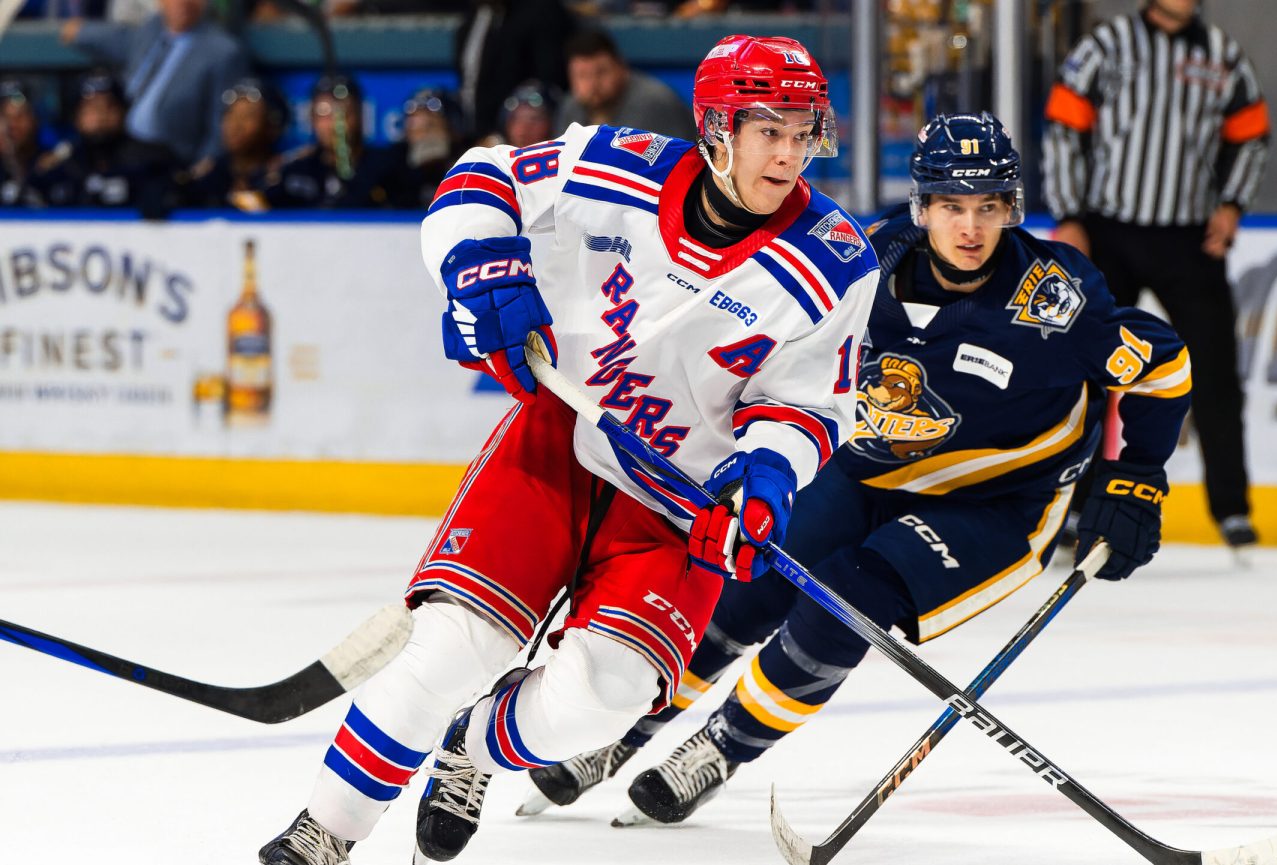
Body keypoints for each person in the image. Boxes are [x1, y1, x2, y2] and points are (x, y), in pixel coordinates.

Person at [256, 34, 879, 865]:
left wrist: (765, 476)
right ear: (716, 128)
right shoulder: (616, 164)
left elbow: (805, 404)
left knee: (604, 700)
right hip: (559, 437)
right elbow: (480, 178)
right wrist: (481, 267)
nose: (791, 152)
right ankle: (323, 832)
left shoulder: (835, 262)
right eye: (770, 129)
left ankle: (470, 750)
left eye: (804, 131)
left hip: (676, 501)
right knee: (450, 647)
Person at [514, 112, 1192, 826]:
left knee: (848, 594)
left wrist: (1137, 475)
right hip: (863, 468)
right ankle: (623, 732)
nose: (970, 227)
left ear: (1010, 209)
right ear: (922, 206)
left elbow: (1165, 365)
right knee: (744, 586)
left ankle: (722, 745)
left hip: (993, 503)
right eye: (953, 207)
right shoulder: (861, 263)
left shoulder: (1055, 301)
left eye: (988, 207)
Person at [1042, 0, 1269, 551]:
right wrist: (1069, 214)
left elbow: (1252, 135)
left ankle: (1231, 508)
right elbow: (1062, 130)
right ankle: (1074, 504)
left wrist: (1233, 204)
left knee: (1214, 373)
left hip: (1189, 237)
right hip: (1107, 232)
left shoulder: (1223, 55)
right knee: (1087, 375)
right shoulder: (1105, 46)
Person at [60, 0, 249, 166]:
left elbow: (221, 125)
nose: (183, 2)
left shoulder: (222, 52)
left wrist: (204, 166)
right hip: (123, 148)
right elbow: (119, 39)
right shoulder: (152, 30)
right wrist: (81, 32)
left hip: (172, 158)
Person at [35, 70, 179, 216]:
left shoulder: (153, 161)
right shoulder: (62, 166)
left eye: (109, 106)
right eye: (91, 108)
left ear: (123, 112)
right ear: (76, 116)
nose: (101, 115)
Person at [267, 75, 401, 209]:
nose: (334, 125)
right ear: (312, 119)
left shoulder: (386, 169)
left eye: (343, 114)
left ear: (360, 116)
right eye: (323, 115)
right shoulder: (297, 171)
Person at [456, 0, 574, 139]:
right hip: (475, 133)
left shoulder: (541, 13)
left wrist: (499, 135)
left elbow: (550, 84)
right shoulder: (475, 18)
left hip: (518, 138)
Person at [554, 28, 696, 141]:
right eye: (582, 75)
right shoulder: (570, 107)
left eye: (601, 72)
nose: (593, 83)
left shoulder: (654, 103)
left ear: (621, 68)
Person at [180, 78, 287, 210]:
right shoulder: (207, 177)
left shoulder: (287, 180)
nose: (235, 126)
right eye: (230, 115)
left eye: (248, 116)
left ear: (272, 127)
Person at [385, 86, 468, 209]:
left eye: (431, 125)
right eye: (413, 121)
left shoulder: (470, 166)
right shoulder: (391, 170)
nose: (425, 137)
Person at [0, 79, 51, 208]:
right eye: (5, 117)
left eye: (19, 117)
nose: (12, 125)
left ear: (35, 120)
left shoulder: (53, 167)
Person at [498, 81, 558, 149]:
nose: (523, 128)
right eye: (515, 119)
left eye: (534, 119)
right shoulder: (494, 154)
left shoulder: (565, 156)